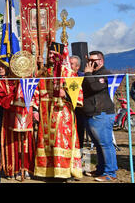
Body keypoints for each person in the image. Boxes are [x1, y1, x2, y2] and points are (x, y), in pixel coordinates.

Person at [33, 42, 83, 181]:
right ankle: (48, 172)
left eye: (52, 54)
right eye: (48, 54)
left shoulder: (69, 73)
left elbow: (78, 95)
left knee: (62, 141)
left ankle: (65, 172)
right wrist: (35, 110)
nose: (49, 56)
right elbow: (36, 93)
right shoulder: (43, 73)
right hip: (45, 113)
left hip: (63, 112)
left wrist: (66, 95)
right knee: (46, 141)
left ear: (59, 55)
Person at [82, 50, 118, 182]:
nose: (90, 63)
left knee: (106, 144)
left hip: (102, 113)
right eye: (89, 61)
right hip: (91, 113)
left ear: (101, 61)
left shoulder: (105, 73)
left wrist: (87, 73)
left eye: (93, 61)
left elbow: (95, 87)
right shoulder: (92, 73)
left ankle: (110, 172)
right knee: (98, 144)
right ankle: (101, 169)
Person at [0, 61, 36, 180]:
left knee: (26, 142)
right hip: (10, 116)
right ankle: (12, 169)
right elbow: (2, 99)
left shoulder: (21, 80)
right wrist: (15, 95)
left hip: (25, 115)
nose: (0, 69)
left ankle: (26, 168)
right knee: (12, 143)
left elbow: (32, 95)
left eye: (2, 67)